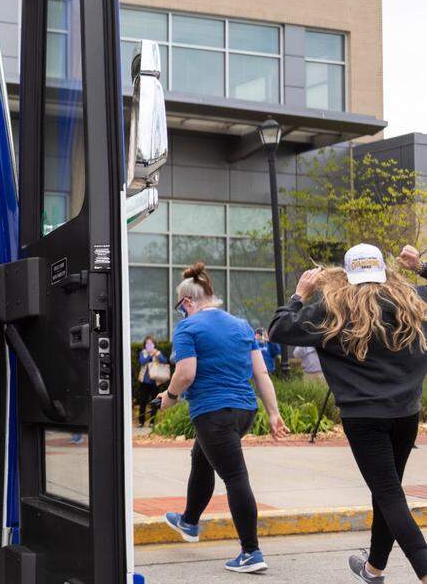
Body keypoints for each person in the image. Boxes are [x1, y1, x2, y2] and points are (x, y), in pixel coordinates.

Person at [269, 243, 427, 583]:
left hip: (364, 417)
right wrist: (420, 267)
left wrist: (299, 294)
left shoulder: (332, 308)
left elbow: (278, 329)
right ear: (385, 271)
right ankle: (374, 569)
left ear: (348, 275)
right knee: (388, 490)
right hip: (405, 413)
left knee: (387, 492)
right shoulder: (411, 302)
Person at [158, 262, 288, 574]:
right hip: (244, 410)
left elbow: (185, 373)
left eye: (180, 306)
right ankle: (189, 521)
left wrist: (170, 397)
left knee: (234, 477)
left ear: (188, 302)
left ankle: (251, 552)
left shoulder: (188, 327)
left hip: (213, 412)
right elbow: (261, 374)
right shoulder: (242, 325)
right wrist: (274, 413)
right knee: (201, 457)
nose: (181, 312)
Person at [136, 336, 167, 427]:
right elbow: (142, 362)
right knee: (143, 402)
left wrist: (156, 354)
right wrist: (150, 355)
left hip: (155, 382)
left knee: (154, 402)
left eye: (151, 343)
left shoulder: (157, 352)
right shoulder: (143, 353)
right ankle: (141, 422)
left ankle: (152, 422)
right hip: (144, 382)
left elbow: (164, 361)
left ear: (154, 344)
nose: (149, 345)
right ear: (145, 344)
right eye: (147, 343)